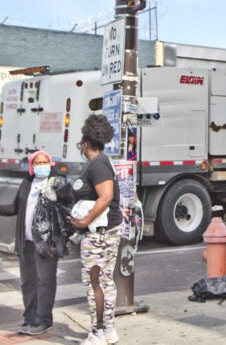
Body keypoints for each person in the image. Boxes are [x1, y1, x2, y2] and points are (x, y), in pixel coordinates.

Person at [0, 150, 72, 335]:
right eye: (37, 163)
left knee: (45, 281)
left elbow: (69, 202)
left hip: (47, 241)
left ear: (50, 164)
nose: (42, 165)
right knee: (28, 282)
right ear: (31, 165)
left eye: (45, 162)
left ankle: (43, 320)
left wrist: (56, 196)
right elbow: (16, 207)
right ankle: (30, 318)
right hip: (27, 241)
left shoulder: (57, 181)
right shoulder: (27, 182)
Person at [69, 114, 123, 345]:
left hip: (99, 233)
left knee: (95, 284)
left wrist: (84, 221)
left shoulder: (98, 163)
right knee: (105, 281)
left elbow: (106, 196)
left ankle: (97, 333)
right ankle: (108, 330)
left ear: (86, 143)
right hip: (105, 231)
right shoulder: (102, 162)